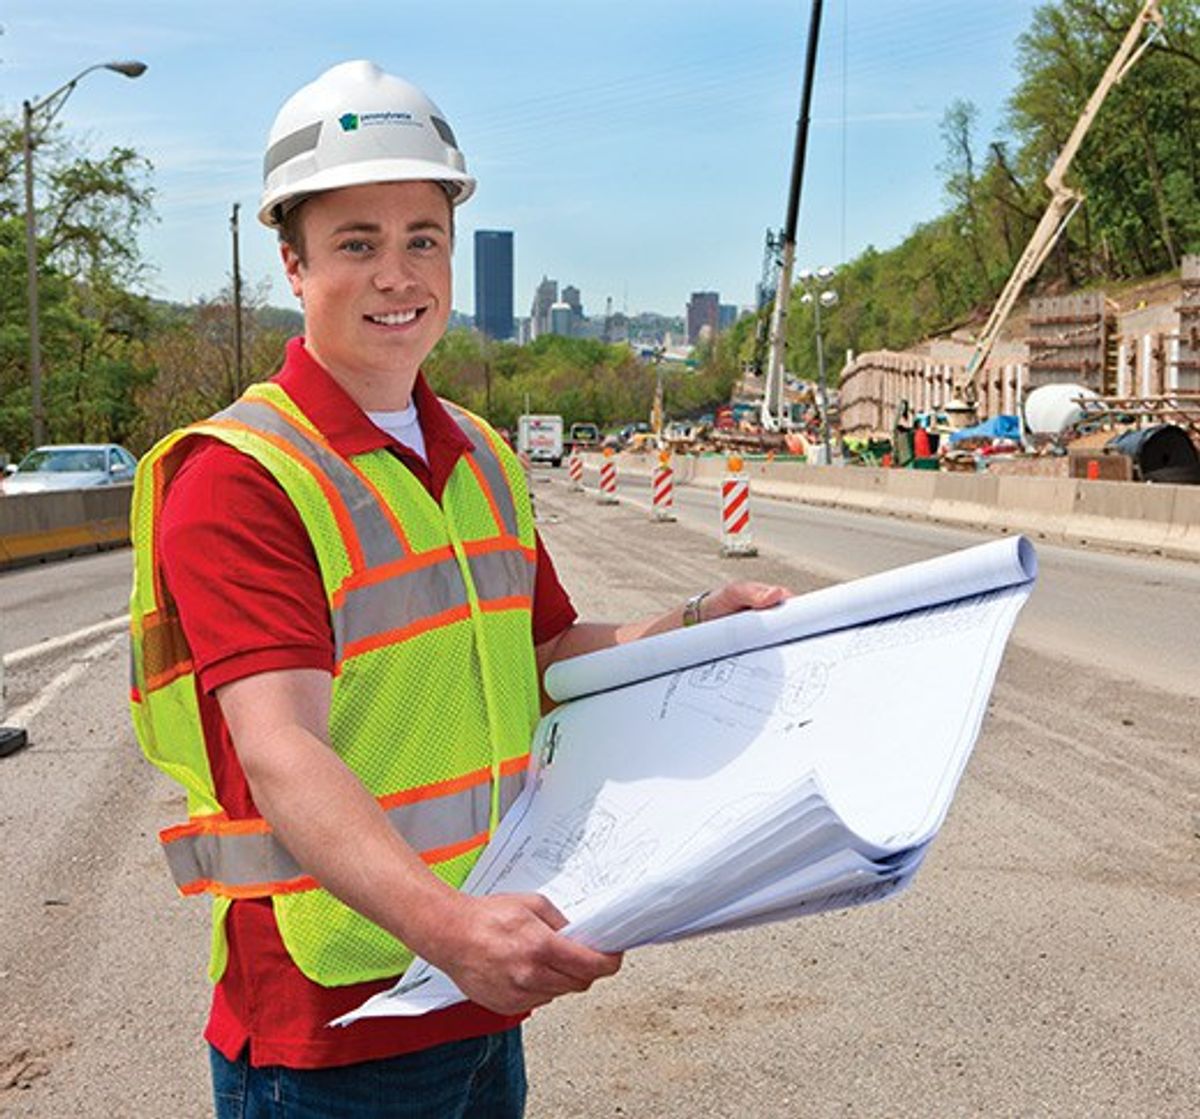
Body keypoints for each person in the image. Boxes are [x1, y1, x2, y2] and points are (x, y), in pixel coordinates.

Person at [129, 60, 788, 1118]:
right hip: (336, 1023)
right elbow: (279, 747)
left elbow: (547, 649)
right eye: (357, 243)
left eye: (421, 239)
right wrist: (450, 928)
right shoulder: (242, 477)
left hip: (474, 993)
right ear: (293, 264)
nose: (399, 275)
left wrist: (691, 626)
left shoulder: (476, 452)